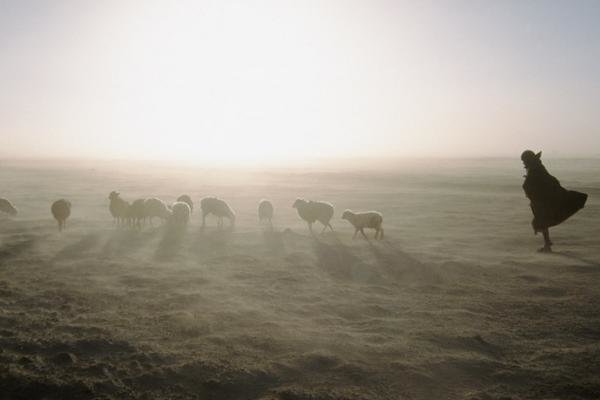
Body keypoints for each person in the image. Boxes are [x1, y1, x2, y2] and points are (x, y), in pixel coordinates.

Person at [521, 150, 588, 252]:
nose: (523, 163)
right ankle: (547, 244)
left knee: (541, 220)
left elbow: (542, 180)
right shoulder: (535, 166)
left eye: (524, 160)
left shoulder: (535, 168)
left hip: (544, 199)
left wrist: (528, 183)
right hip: (540, 199)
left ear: (528, 159)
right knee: (542, 220)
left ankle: (547, 245)